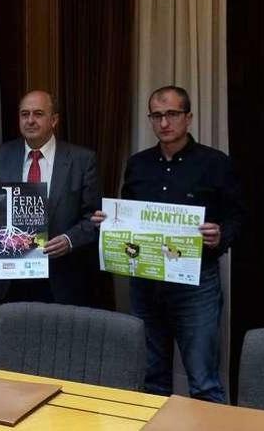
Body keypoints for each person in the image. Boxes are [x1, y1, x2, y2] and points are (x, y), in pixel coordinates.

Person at [92, 85, 244, 402]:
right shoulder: (138, 164)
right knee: (152, 380)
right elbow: (128, 216)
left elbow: (238, 218)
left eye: (172, 114)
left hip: (196, 284)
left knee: (203, 382)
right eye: (157, 116)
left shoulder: (215, 163)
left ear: (188, 118)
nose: (164, 123)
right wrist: (109, 224)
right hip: (145, 283)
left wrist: (221, 235)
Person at [0, 90, 100, 306]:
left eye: (38, 114)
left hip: (60, 276)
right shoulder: (1, 154)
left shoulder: (81, 159)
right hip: (10, 275)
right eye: (24, 114)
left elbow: (93, 218)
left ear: (54, 120)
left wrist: (69, 240)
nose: (30, 120)